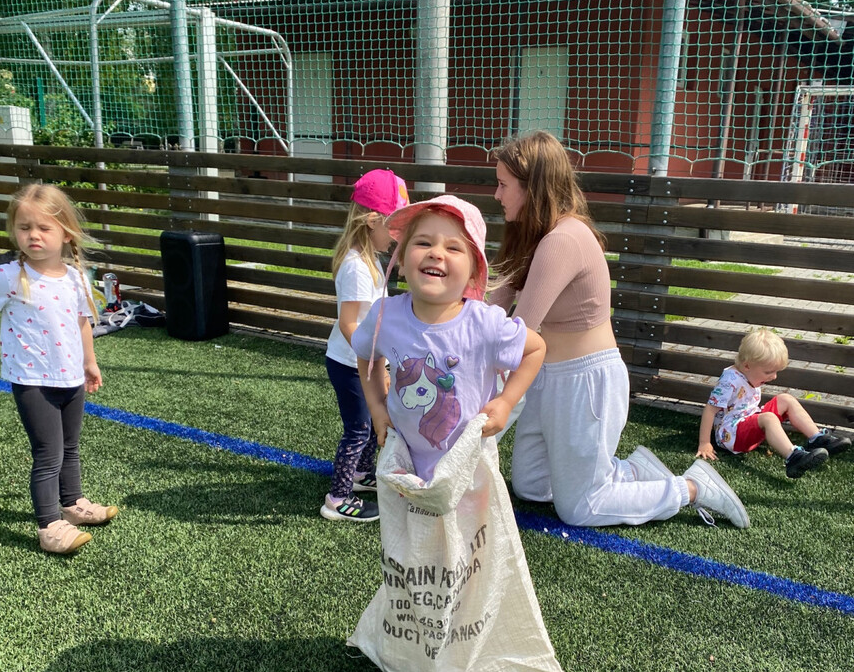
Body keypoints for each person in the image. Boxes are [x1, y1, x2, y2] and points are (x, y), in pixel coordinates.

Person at [489, 130, 749, 528]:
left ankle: (693, 487)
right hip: (548, 379)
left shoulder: (563, 239)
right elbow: (494, 308)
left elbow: (519, 331)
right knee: (532, 486)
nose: (497, 195)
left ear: (533, 187)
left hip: (585, 384)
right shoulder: (532, 236)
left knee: (581, 508)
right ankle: (633, 471)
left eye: (503, 185)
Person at [351, 194, 545, 481]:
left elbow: (535, 349)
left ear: (474, 272)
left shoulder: (485, 323)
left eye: (453, 247)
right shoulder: (384, 315)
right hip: (403, 465)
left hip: (468, 469)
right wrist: (377, 407)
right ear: (401, 259)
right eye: (423, 243)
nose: (436, 253)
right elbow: (366, 354)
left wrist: (506, 402)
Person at [0, 184, 119, 554]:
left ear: (66, 233)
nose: (33, 235)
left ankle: (73, 504)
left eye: (44, 228)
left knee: (70, 447)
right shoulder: (8, 276)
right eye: (24, 227)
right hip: (32, 381)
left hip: (71, 378)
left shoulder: (75, 277)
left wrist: (89, 363)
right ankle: (49, 526)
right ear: (14, 231)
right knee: (48, 453)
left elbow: (83, 323)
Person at [322, 169, 410, 522]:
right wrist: (373, 361)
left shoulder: (370, 258)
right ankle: (337, 498)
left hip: (362, 361)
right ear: (373, 221)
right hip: (349, 365)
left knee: (374, 421)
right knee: (358, 428)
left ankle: (360, 474)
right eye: (395, 225)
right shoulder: (357, 267)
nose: (398, 234)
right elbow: (349, 323)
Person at [696, 327, 851, 477]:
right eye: (768, 372)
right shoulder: (730, 381)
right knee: (768, 418)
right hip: (731, 436)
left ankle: (817, 438)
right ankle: (793, 457)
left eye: (776, 371)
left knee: (785, 398)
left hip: (748, 421)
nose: (774, 377)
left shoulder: (748, 373)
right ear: (747, 365)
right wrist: (704, 443)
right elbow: (710, 409)